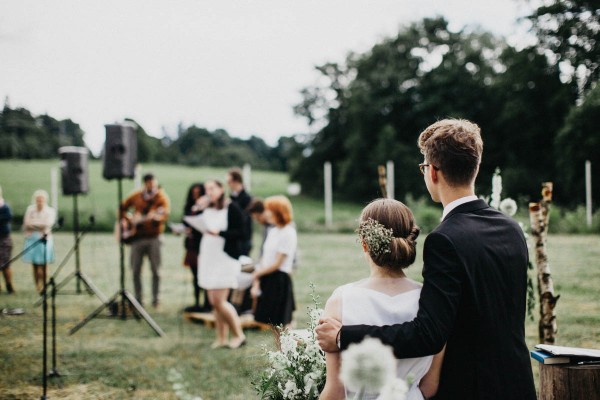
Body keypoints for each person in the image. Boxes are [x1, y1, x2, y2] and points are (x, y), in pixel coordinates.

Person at [316, 119, 537, 400]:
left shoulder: (445, 239)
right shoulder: (511, 229)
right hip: (517, 382)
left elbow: (427, 334)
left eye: (423, 166)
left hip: (471, 388)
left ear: (432, 171)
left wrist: (342, 337)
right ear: (476, 168)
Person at [320, 198, 443, 400]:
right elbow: (430, 385)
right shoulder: (431, 300)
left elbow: (335, 392)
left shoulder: (341, 300)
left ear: (364, 244)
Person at [196, 179, 246, 349]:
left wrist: (221, 233)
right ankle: (221, 337)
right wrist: (198, 208)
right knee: (213, 302)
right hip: (209, 258)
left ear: (221, 189)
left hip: (224, 259)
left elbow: (242, 232)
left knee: (219, 301)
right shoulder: (207, 208)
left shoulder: (231, 207)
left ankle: (239, 335)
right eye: (206, 189)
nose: (208, 192)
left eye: (212, 188)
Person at [120, 173, 170, 308]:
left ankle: (156, 299)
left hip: (154, 238)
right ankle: (138, 299)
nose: (151, 185)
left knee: (156, 270)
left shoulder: (161, 198)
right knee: (135, 269)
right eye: (148, 183)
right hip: (137, 238)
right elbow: (122, 207)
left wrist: (154, 218)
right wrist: (127, 220)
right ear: (145, 183)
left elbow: (164, 215)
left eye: (152, 183)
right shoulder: (137, 196)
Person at [251, 195, 296, 331]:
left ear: (277, 211)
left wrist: (257, 274)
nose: (266, 212)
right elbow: (265, 258)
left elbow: (277, 263)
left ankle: (285, 351)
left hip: (279, 279)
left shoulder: (288, 232)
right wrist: (257, 280)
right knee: (271, 323)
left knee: (281, 324)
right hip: (267, 277)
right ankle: (279, 351)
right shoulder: (273, 231)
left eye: (269, 209)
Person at [226, 167, 254, 314]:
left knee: (242, 273)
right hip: (232, 241)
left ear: (236, 181)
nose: (228, 184)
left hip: (243, 242)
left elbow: (244, 223)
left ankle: (242, 305)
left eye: (229, 181)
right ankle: (232, 303)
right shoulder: (232, 197)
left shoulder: (247, 198)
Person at [182, 182, 211, 312]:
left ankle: (207, 303)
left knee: (204, 274)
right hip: (192, 245)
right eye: (194, 194)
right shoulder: (190, 207)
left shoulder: (207, 209)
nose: (196, 196)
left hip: (202, 245)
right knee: (195, 275)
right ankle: (196, 302)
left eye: (198, 194)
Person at [22, 189, 56, 293]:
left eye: (42, 200)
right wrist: (39, 225)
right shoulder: (30, 209)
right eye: (38, 200)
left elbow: (47, 224)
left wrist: (34, 224)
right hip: (32, 238)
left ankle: (44, 285)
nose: (39, 202)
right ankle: (37, 285)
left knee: (44, 263)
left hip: (44, 239)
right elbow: (27, 223)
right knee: (35, 264)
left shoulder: (50, 211)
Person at [0, 185, 15, 293]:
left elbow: (7, 218)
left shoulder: (5, 206)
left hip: (4, 239)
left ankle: (9, 285)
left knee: (5, 264)